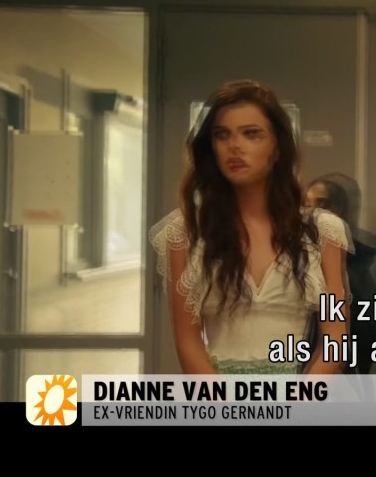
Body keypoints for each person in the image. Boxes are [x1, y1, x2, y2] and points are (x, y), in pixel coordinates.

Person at [148, 79, 353, 375]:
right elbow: (187, 342)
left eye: (251, 134)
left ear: (277, 147)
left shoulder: (323, 231)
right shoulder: (185, 232)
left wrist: (301, 398)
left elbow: (336, 337)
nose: (234, 146)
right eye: (222, 135)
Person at [305, 174, 376, 374]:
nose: (312, 212)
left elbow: (371, 334)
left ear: (340, 210)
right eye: (306, 205)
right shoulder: (297, 258)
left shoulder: (361, 265)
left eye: (322, 204)